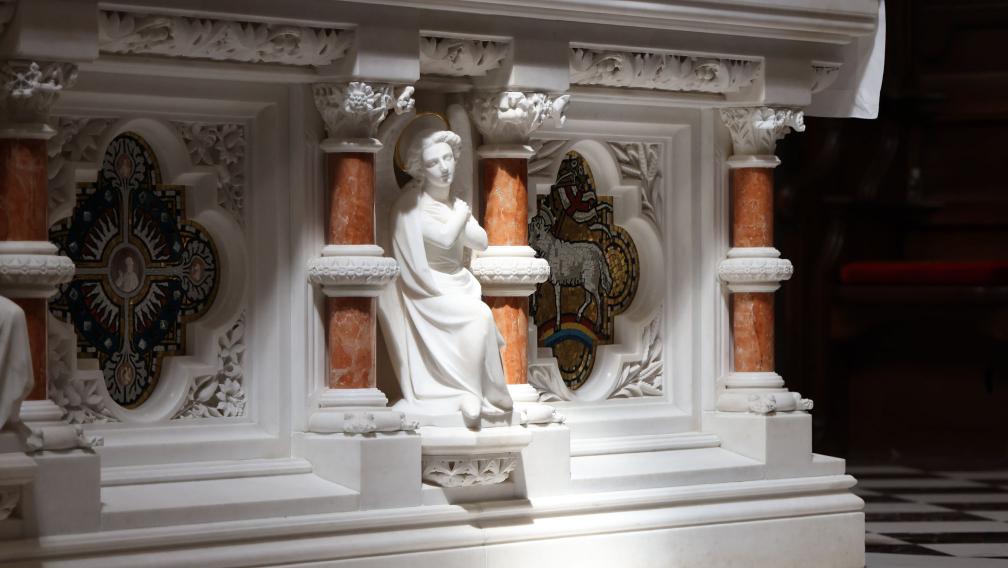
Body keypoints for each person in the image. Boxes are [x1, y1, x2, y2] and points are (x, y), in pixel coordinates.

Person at [379, 128, 513, 426]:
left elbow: (481, 241)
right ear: (419, 170)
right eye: (433, 162)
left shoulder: (455, 205)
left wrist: (460, 215)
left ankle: (483, 391)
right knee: (479, 317)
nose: (443, 167)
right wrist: (460, 216)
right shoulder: (411, 207)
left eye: (448, 158)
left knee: (479, 319)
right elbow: (442, 238)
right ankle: (471, 393)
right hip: (428, 291)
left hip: (459, 284)